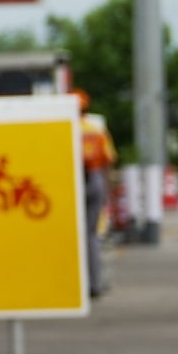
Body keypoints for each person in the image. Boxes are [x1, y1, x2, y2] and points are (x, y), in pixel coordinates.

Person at [77, 89, 116, 297]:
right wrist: (107, 194)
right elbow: (108, 161)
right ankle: (95, 284)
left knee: (73, 236)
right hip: (96, 180)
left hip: (74, 182)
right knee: (91, 235)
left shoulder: (65, 130)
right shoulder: (95, 131)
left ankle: (74, 284)